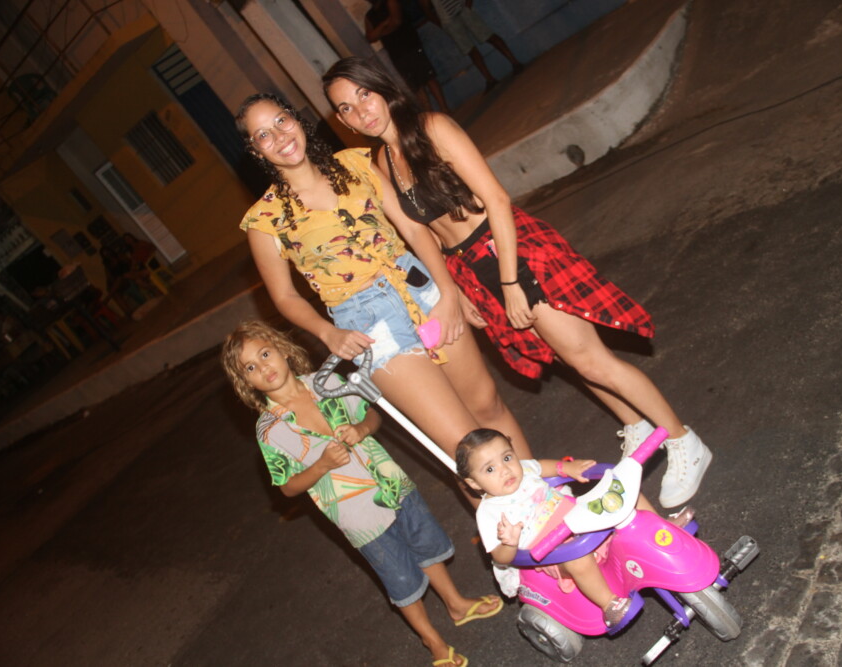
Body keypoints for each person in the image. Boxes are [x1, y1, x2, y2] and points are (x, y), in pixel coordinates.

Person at [322, 58, 712, 509]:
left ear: (383, 89)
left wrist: (510, 280)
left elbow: (496, 198)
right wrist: (456, 289)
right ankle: (637, 425)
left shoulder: (432, 127)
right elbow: (424, 232)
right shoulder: (382, 161)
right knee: (566, 356)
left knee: (591, 360)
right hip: (468, 267)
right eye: (346, 108)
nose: (360, 112)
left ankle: (683, 441)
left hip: (508, 249)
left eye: (364, 95)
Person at [234, 93, 533, 496]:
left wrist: (448, 292)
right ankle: (515, 532)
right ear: (256, 150)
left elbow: (413, 230)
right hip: (369, 327)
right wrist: (327, 333)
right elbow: (285, 297)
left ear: (296, 119)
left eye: (281, 121)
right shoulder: (264, 220)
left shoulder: (355, 164)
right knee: (463, 449)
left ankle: (544, 500)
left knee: (488, 406)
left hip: (421, 290)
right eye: (264, 135)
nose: (280, 137)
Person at [221, 321, 504, 667]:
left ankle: (456, 604)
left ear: (282, 350)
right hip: (357, 515)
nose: (264, 367)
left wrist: (360, 428)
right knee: (400, 578)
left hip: (392, 483)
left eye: (265, 354)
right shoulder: (270, 431)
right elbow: (287, 487)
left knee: (425, 545)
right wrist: (322, 465)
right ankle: (433, 642)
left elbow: (373, 416)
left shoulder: (326, 382)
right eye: (250, 368)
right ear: (246, 382)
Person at [456, 428, 694, 628]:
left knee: (622, 495)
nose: (505, 470)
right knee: (577, 559)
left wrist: (565, 468)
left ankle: (663, 528)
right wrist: (510, 542)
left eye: (507, 458)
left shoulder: (523, 469)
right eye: (490, 469)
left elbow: (540, 466)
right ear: (473, 483)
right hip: (552, 551)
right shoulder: (488, 513)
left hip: (579, 516)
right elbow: (500, 558)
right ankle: (609, 603)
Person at [419, 0, 523, 91]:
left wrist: (468, 4)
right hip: (449, 20)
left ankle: (515, 62)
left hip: (463, 8)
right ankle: (490, 79)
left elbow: (427, 11)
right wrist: (443, 24)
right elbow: (426, 10)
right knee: (469, 49)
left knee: (488, 36)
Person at [365, 0, 449, 112]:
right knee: (415, 86)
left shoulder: (390, 2)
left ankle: (444, 108)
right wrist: (384, 24)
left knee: (428, 77)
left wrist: (379, 32)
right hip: (396, 53)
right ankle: (429, 113)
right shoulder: (369, 16)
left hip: (410, 44)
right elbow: (370, 37)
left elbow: (396, 21)